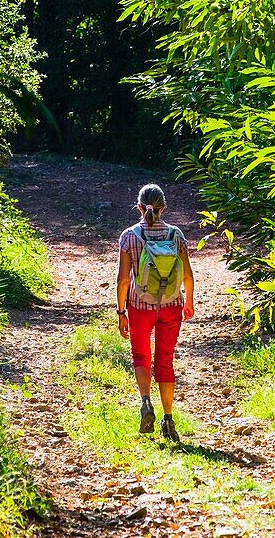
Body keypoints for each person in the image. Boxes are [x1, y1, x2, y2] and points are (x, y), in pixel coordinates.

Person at [116, 182, 195, 442]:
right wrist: (189, 302)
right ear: (164, 207)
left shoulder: (129, 236)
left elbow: (123, 280)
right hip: (171, 306)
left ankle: (146, 403)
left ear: (139, 207)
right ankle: (169, 419)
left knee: (141, 355)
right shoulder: (176, 235)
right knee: (165, 360)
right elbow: (187, 275)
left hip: (140, 307)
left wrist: (121, 311)